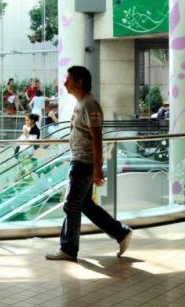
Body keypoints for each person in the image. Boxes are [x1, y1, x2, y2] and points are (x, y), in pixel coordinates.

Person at [46, 66, 132, 261]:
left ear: (79, 82)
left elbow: (97, 136)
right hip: (81, 160)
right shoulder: (82, 103)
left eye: (68, 79)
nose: (64, 82)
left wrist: (97, 168)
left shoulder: (89, 104)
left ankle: (68, 249)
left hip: (83, 162)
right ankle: (120, 232)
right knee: (84, 205)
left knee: (71, 204)